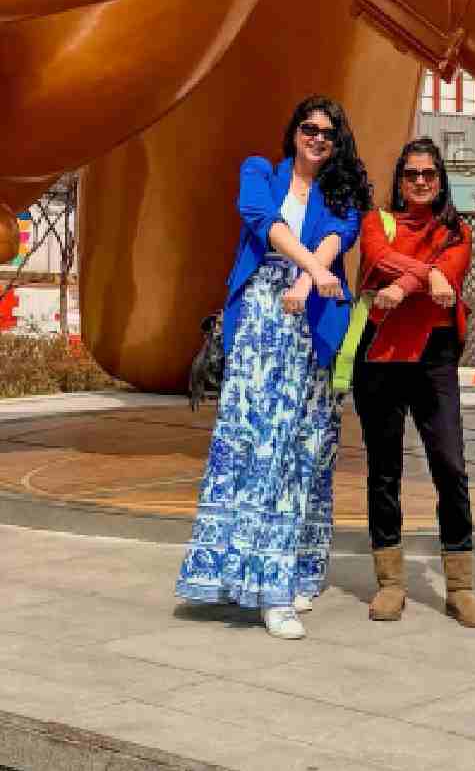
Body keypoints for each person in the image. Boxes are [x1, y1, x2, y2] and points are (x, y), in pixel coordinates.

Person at [176, 96, 370, 639]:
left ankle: (293, 574)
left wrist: (310, 278)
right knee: (251, 445)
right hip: (262, 320)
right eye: (309, 129)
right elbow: (263, 222)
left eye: (328, 134)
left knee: (303, 451)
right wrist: (307, 268)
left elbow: (339, 235)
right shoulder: (260, 171)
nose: (317, 139)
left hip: (313, 326)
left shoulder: (340, 191)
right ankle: (243, 580)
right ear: (293, 133)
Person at [353, 136, 475, 628]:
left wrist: (401, 283)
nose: (420, 181)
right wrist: (421, 277)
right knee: (383, 470)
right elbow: (376, 255)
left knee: (450, 466)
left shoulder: (458, 230)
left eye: (429, 173)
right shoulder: (378, 220)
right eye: (411, 173)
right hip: (380, 354)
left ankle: (460, 586)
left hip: (433, 357)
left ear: (441, 179)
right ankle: (390, 582)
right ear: (400, 179)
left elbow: (448, 277)